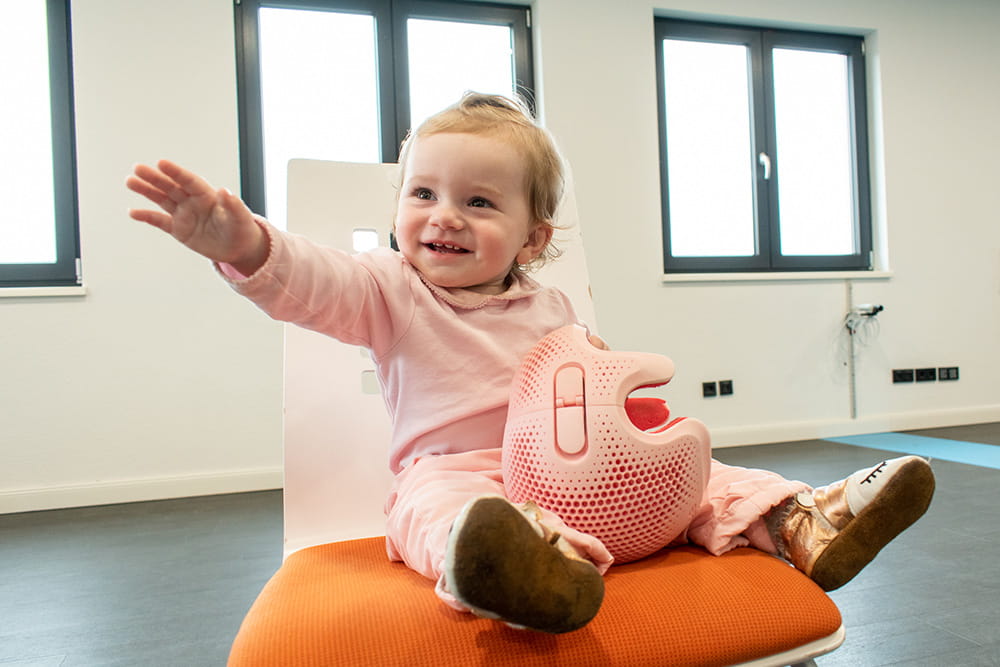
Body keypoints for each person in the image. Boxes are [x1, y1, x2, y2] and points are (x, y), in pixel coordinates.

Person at [126, 92, 935, 635]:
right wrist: (241, 242)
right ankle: (521, 569)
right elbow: (309, 279)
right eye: (423, 195)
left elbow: (595, 390)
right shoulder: (389, 289)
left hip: (583, 472)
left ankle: (803, 522)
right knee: (430, 507)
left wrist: (644, 435)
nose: (443, 218)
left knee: (706, 471)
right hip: (466, 473)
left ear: (532, 238)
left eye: (479, 202)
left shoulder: (553, 308)